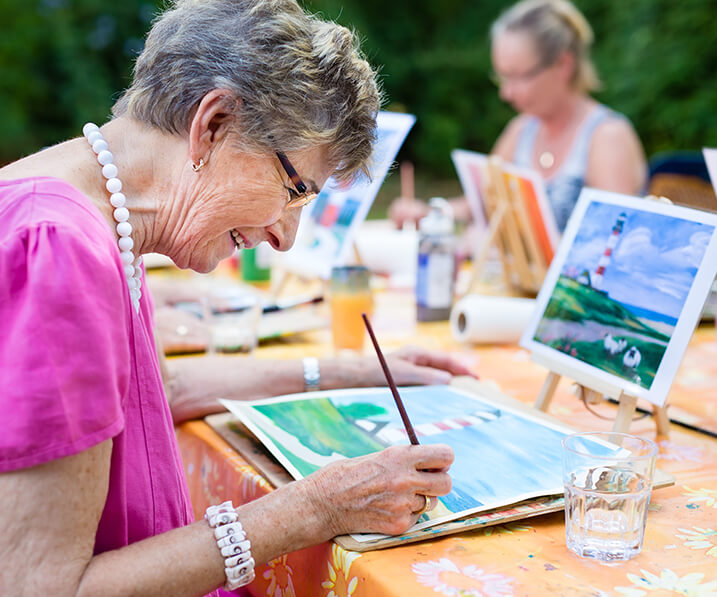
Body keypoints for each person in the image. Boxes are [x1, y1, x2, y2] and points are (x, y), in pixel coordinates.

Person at [0, 1, 457, 595]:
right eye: (294, 191)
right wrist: (315, 507)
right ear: (212, 124)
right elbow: (42, 588)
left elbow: (154, 396)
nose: (285, 237)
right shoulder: (60, 251)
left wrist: (348, 371)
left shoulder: (94, 215)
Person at [389, 0, 647, 233]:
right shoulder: (522, 130)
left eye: (517, 76)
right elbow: (481, 202)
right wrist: (431, 212)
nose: (505, 92)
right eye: (501, 76)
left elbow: (614, 238)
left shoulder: (607, 136)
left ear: (563, 65)